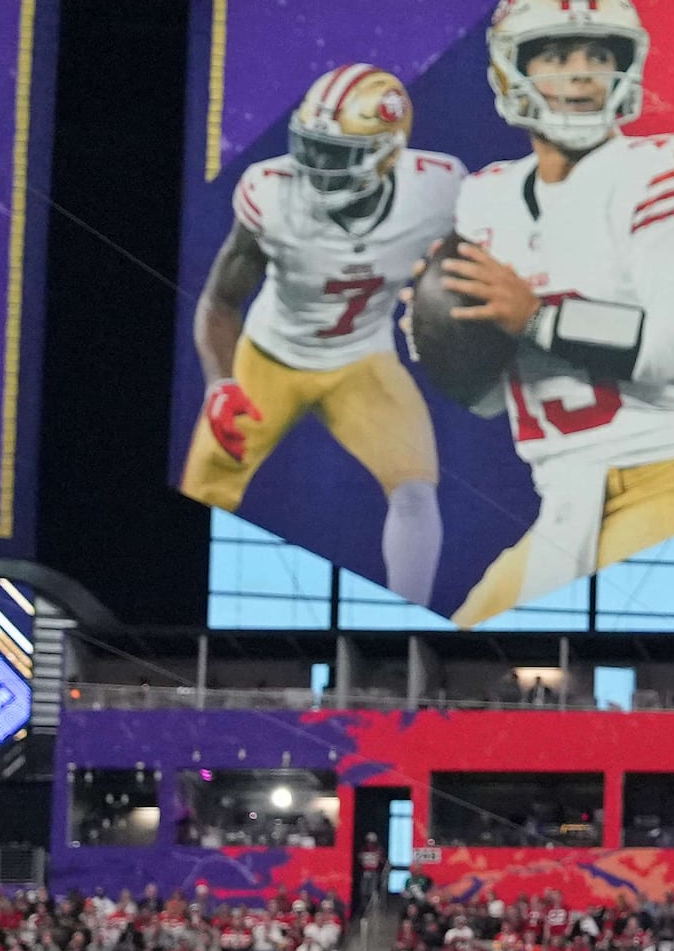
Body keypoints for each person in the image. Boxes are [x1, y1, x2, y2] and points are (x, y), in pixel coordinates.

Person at [425, 0, 674, 628]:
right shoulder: (484, 195)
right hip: (563, 501)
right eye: (556, 54)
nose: (581, 73)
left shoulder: (670, 165)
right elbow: (491, 402)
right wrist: (442, 338)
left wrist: (537, 317)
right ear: (510, 71)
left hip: (666, 476)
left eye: (600, 53)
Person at [183, 61, 464, 607]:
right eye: (309, 146)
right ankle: (173, 620)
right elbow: (219, 301)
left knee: (414, 493)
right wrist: (219, 382)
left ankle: (410, 630)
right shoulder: (271, 192)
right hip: (268, 358)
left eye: (335, 154)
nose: (314, 166)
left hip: (362, 361)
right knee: (202, 494)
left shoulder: (439, 190)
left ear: (387, 153)